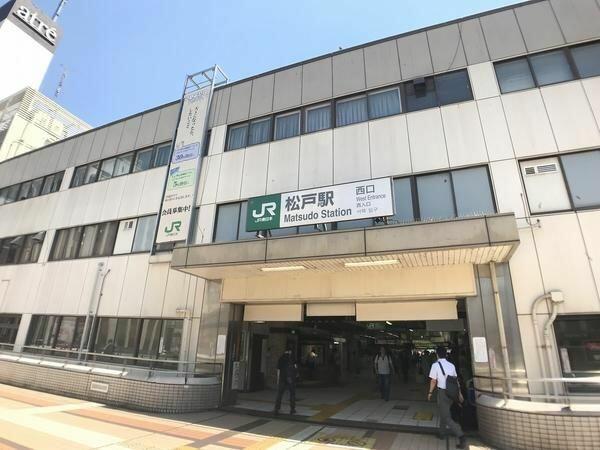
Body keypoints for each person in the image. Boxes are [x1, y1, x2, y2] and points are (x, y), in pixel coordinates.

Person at [428, 346, 466, 449]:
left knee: (446, 417)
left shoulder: (435, 365)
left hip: (443, 393)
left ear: (437, 354)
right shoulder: (451, 365)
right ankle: (442, 433)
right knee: (444, 412)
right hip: (452, 393)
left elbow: (433, 381)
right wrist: (459, 393)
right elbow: (456, 380)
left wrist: (430, 392)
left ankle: (461, 435)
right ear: (446, 354)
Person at [274, 347, 297, 415]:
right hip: (290, 378)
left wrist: (278, 379)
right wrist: (295, 375)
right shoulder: (292, 358)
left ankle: (277, 409)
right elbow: (295, 368)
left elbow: (278, 370)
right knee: (292, 394)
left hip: (282, 378)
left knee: (279, 394)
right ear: (290, 351)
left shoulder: (281, 358)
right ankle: (292, 409)